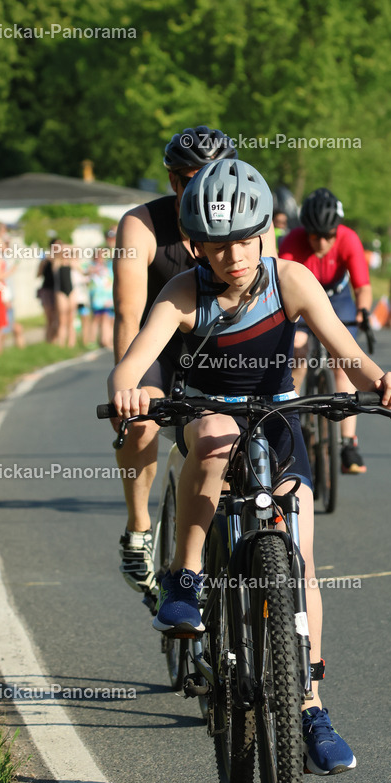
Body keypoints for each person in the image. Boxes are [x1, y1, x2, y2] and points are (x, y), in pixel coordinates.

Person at [108, 158, 391, 774]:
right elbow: (133, 360)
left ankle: (311, 706)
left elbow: (348, 354)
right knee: (217, 435)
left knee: (297, 557)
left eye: (245, 241)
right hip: (208, 417)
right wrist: (131, 390)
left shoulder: (292, 281)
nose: (234, 257)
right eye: (218, 246)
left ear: (263, 234)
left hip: (277, 426)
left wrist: (384, 381)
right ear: (196, 245)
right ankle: (186, 576)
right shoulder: (184, 291)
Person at [113, 126, 264, 594]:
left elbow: (271, 299)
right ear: (175, 183)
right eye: (191, 180)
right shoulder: (141, 224)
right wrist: (127, 388)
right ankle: (139, 531)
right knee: (142, 422)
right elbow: (127, 314)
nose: (204, 189)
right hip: (160, 346)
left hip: (221, 345)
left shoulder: (252, 215)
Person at [279, 188, 373, 474]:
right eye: (314, 236)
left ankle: (348, 443)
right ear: (304, 230)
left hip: (338, 299)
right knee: (298, 351)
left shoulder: (348, 239)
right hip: (302, 299)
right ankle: (290, 417)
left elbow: (363, 287)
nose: (321, 242)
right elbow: (279, 284)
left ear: (337, 230)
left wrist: (364, 312)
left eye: (328, 236)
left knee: (342, 363)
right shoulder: (292, 241)